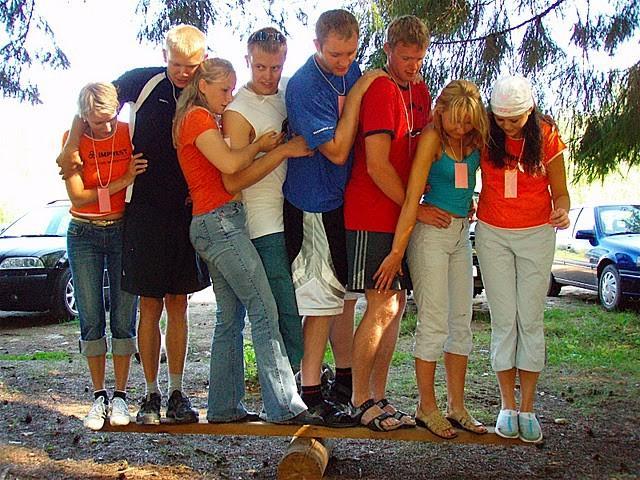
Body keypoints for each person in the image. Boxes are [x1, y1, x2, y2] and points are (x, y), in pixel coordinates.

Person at [57, 25, 211, 425]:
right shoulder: (141, 81)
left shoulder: (208, 86)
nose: (183, 73)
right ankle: (149, 395)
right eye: (176, 64)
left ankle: (177, 392)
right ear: (165, 57)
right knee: (149, 304)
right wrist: (72, 146)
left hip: (186, 212)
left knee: (179, 305)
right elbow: (92, 104)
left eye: (191, 66)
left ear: (203, 60)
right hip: (143, 212)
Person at [173, 57, 321, 424]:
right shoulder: (198, 117)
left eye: (231, 88)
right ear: (202, 85)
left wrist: (262, 147)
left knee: (230, 317)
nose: (228, 97)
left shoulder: (203, 118)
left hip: (218, 222)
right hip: (219, 223)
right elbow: (229, 166)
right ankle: (284, 404)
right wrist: (264, 147)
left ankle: (224, 406)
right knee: (263, 306)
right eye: (223, 90)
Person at [283, 9, 383, 425]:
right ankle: (309, 395)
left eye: (351, 54)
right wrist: (359, 90)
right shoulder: (305, 86)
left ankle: (342, 382)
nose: (345, 63)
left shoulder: (349, 68)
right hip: (312, 203)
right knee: (320, 303)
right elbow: (338, 150)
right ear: (317, 45)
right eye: (336, 55)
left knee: (342, 299)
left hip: (342, 201)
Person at [376, 79, 490, 438]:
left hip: (459, 235)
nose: (461, 127)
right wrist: (397, 252)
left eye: (468, 121)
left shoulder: (472, 140)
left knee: (462, 320)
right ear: (440, 111)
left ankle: (457, 406)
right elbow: (411, 197)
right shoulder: (431, 139)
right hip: (430, 237)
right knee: (435, 320)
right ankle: (427, 406)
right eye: (455, 120)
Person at [343, 15, 432, 431]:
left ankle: (379, 395)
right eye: (405, 56)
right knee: (380, 305)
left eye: (419, 57)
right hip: (371, 214)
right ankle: (359, 398)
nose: (412, 64)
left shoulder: (421, 90)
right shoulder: (380, 89)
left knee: (396, 307)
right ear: (389, 50)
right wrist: (413, 207)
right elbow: (378, 166)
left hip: (401, 216)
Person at [475, 75, 570, 443]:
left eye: (514, 119)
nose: (507, 125)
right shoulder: (486, 133)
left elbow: (561, 194)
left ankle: (528, 408)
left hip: (536, 233)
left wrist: (562, 212)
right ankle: (506, 405)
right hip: (493, 232)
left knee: (529, 319)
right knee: (503, 319)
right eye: (500, 118)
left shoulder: (545, 134)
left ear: (530, 111)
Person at [63, 82, 147, 430]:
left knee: (124, 316)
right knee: (91, 315)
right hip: (83, 233)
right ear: (85, 119)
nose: (107, 127)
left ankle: (121, 397)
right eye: (98, 123)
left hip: (122, 230)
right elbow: (78, 197)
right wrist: (121, 180)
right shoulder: (72, 139)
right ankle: (98, 395)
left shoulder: (129, 133)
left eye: (111, 118)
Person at [221, 27, 303, 372]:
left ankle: (303, 374)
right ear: (247, 61)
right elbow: (232, 180)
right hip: (260, 221)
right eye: (260, 68)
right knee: (279, 304)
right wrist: (282, 150)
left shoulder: (288, 91)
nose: (269, 76)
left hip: (293, 212)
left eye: (276, 68)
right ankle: (292, 380)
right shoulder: (238, 111)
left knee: (299, 302)